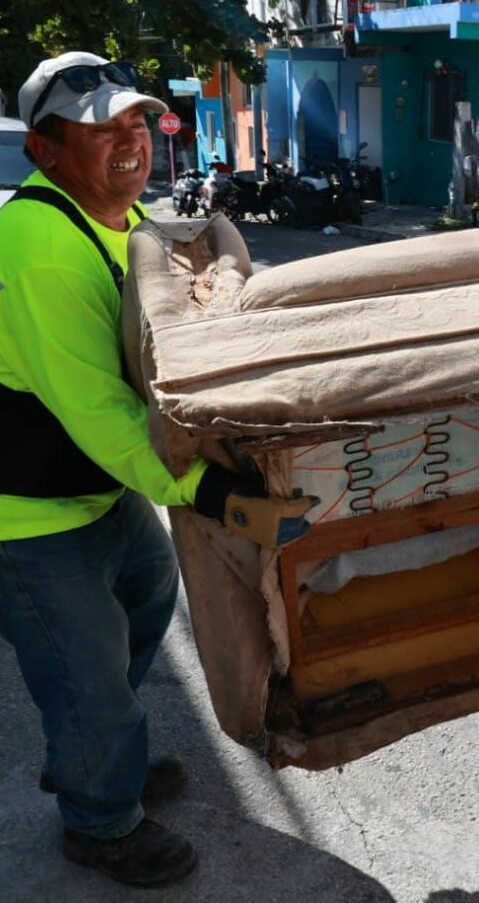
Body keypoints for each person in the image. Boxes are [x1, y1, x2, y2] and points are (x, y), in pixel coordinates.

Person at [0, 52, 314, 887]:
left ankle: (88, 755)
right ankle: (100, 822)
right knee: (87, 672)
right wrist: (209, 490)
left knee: (146, 593)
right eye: (99, 129)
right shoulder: (38, 246)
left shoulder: (122, 218)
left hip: (89, 489)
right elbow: (101, 410)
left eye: (135, 120)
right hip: (26, 514)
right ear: (45, 151)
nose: (129, 139)